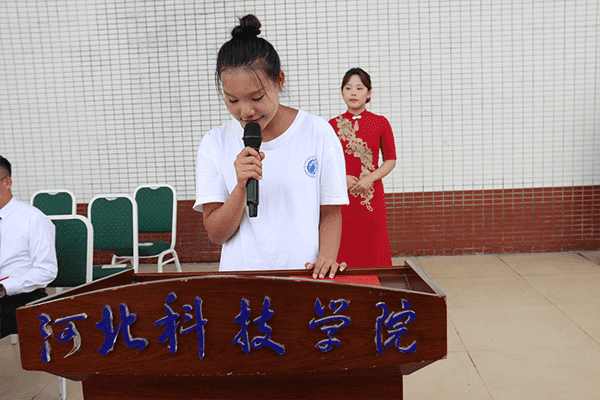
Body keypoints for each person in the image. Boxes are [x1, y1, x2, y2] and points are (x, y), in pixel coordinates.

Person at [193, 15, 349, 279]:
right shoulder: (213, 143)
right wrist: (240, 187)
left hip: (302, 280)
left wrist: (326, 259)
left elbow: (330, 210)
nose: (246, 111)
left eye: (257, 97)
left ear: (279, 81)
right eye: (232, 100)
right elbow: (216, 234)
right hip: (240, 286)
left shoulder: (317, 132)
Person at [328, 68, 397, 269]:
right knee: (343, 245)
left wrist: (370, 179)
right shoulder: (331, 126)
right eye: (348, 88)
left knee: (373, 245)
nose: (353, 93)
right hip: (342, 197)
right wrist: (342, 178)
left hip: (371, 197)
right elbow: (325, 164)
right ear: (342, 92)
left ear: (369, 93)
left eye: (359, 88)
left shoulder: (380, 123)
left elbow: (390, 160)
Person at [0, 155, 57, 338]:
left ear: (7, 182)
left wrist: (5, 287)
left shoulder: (33, 218)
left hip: (19, 298)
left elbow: (46, 270)